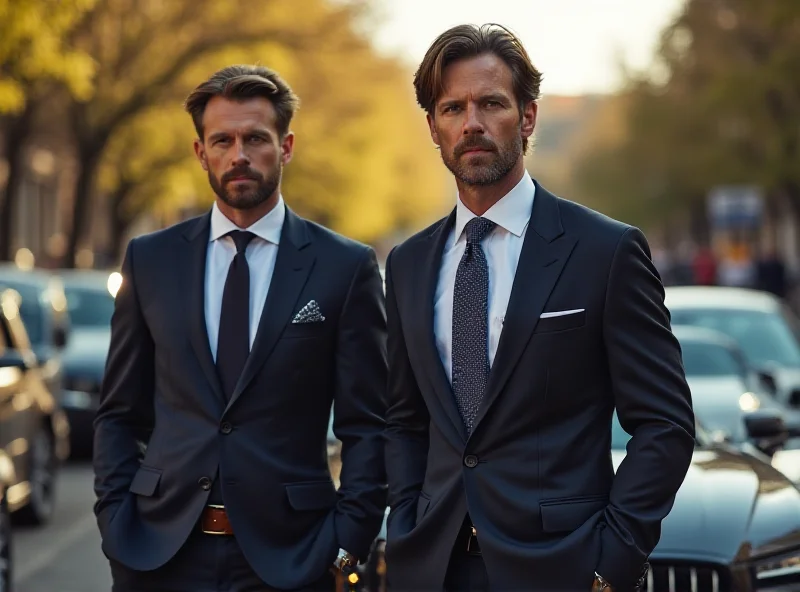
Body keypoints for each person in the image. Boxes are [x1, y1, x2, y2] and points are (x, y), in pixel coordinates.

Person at [383, 24, 695, 592]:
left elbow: (665, 425)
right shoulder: (407, 264)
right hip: (432, 568)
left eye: (491, 103)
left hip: (564, 569)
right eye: (452, 108)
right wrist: (407, 517)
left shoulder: (605, 251)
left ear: (527, 117)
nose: (471, 123)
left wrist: (611, 563)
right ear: (433, 127)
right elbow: (404, 421)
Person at [93, 64, 388, 592]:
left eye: (256, 138)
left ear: (287, 145)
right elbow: (119, 413)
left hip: (293, 560)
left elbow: (368, 425)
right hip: (159, 556)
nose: (239, 155)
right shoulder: (150, 260)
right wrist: (117, 526)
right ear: (200, 151)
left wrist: (347, 544)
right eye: (222, 140)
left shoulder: (344, 267)